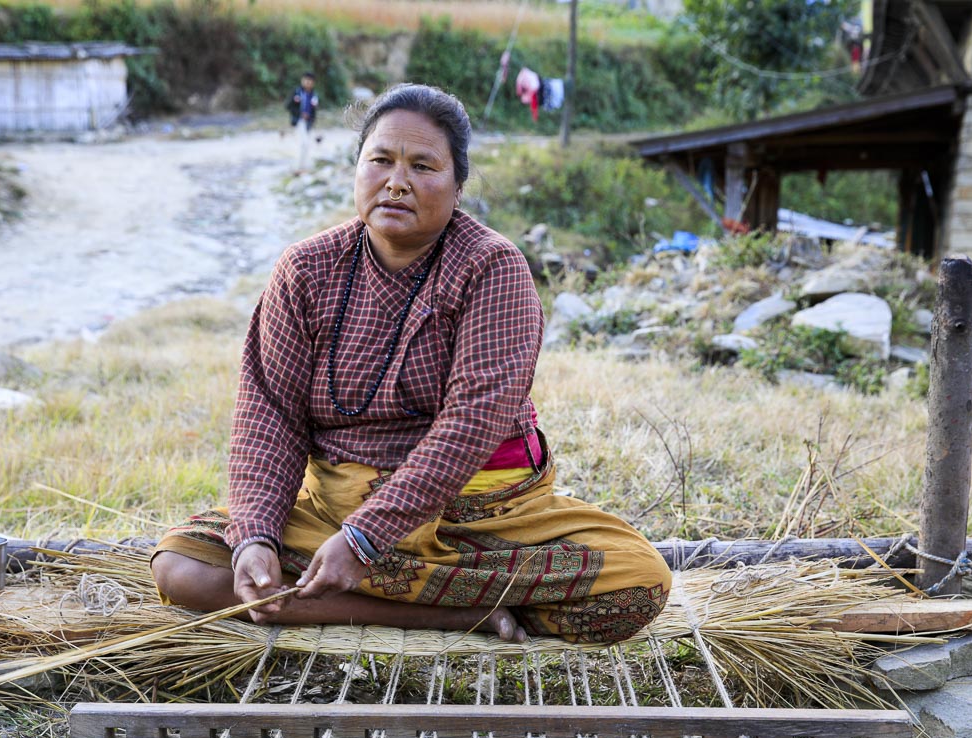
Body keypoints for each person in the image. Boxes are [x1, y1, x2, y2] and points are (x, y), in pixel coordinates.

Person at [151, 83, 672, 644]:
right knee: (183, 567)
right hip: (333, 510)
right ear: (357, 168)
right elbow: (268, 414)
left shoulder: (492, 268)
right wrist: (256, 536)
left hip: (477, 519)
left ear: (457, 185)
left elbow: (472, 422)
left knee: (637, 584)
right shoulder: (305, 269)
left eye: (423, 165)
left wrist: (365, 540)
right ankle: (439, 613)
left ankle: (345, 593)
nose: (397, 181)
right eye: (380, 160)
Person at [287, 72, 319, 173]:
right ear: (302, 80)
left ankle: (303, 166)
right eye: (306, 80)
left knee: (307, 144)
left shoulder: (313, 95)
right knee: (302, 144)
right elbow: (288, 105)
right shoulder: (297, 92)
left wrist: (313, 120)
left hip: (308, 123)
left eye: (310, 81)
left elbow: (314, 109)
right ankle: (297, 167)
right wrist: (300, 114)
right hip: (299, 121)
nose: (307, 83)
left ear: (313, 83)